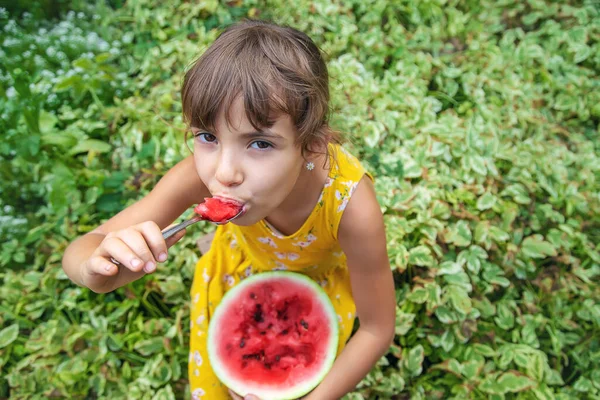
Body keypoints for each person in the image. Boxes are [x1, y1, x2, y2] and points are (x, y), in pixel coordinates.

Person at [62, 19, 396, 400]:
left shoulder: (351, 207)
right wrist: (96, 271)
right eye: (208, 137)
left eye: (259, 143)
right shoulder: (197, 177)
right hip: (234, 272)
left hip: (319, 285)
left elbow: (376, 329)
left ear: (312, 145)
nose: (223, 173)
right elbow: (81, 249)